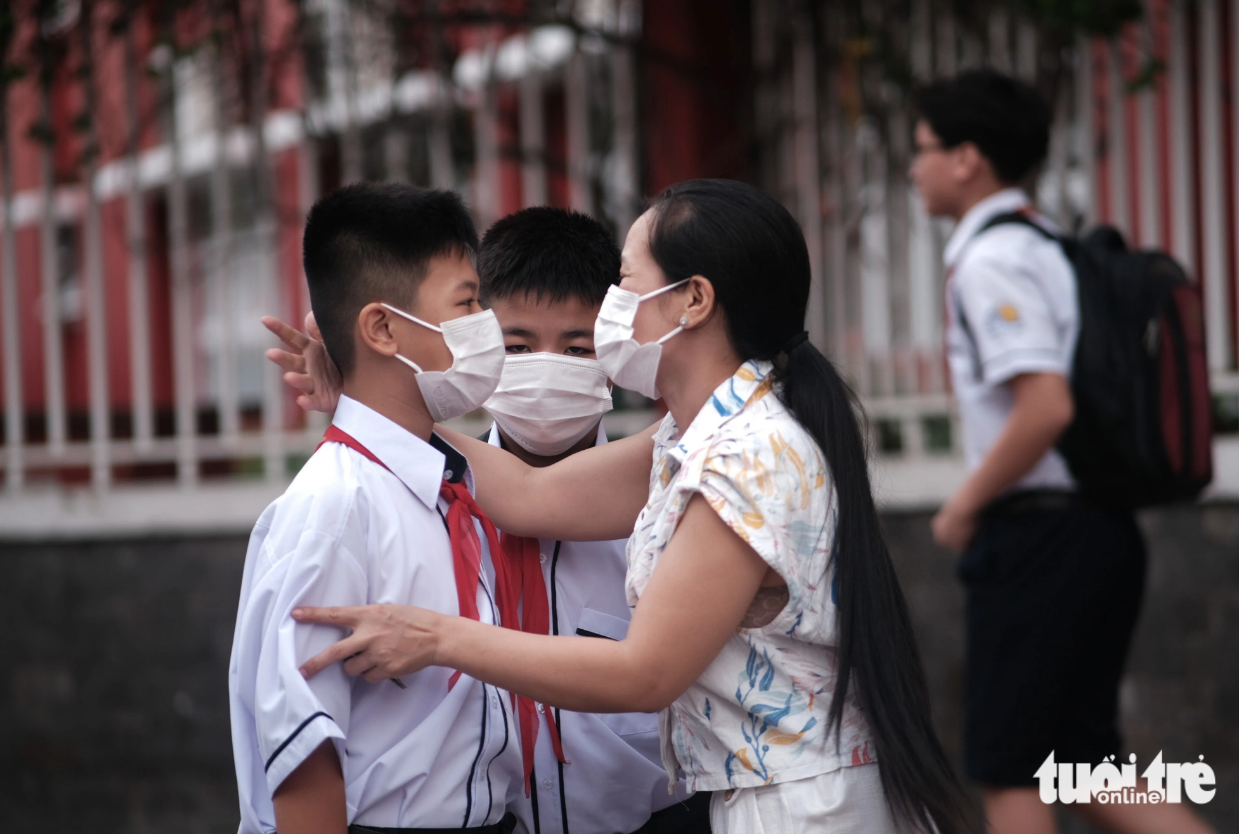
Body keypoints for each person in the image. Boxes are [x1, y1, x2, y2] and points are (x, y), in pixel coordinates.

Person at [276, 179, 978, 834]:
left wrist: (437, 639)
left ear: (692, 301)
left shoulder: (747, 457)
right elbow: (531, 495)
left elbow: (644, 673)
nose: (612, 305)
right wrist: (373, 395)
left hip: (799, 808)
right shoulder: (698, 436)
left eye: (627, 282)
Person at [265, 205, 707, 834]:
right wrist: (373, 397)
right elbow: (304, 746)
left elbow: (535, 497)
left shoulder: (673, 487)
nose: (547, 365)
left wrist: (375, 405)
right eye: (517, 344)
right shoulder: (418, 501)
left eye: (578, 347)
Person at [910, 69, 1217, 834]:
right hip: (1098, 529)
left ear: (966, 159)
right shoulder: (1050, 244)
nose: (912, 168)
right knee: (1083, 767)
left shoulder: (991, 261)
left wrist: (963, 506)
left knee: (1011, 770)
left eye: (921, 150)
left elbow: (1046, 406)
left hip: (1040, 537)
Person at [229, 183, 525, 834]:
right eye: (467, 303)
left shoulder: (446, 483)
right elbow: (305, 756)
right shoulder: (333, 508)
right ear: (384, 328)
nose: (487, 328)